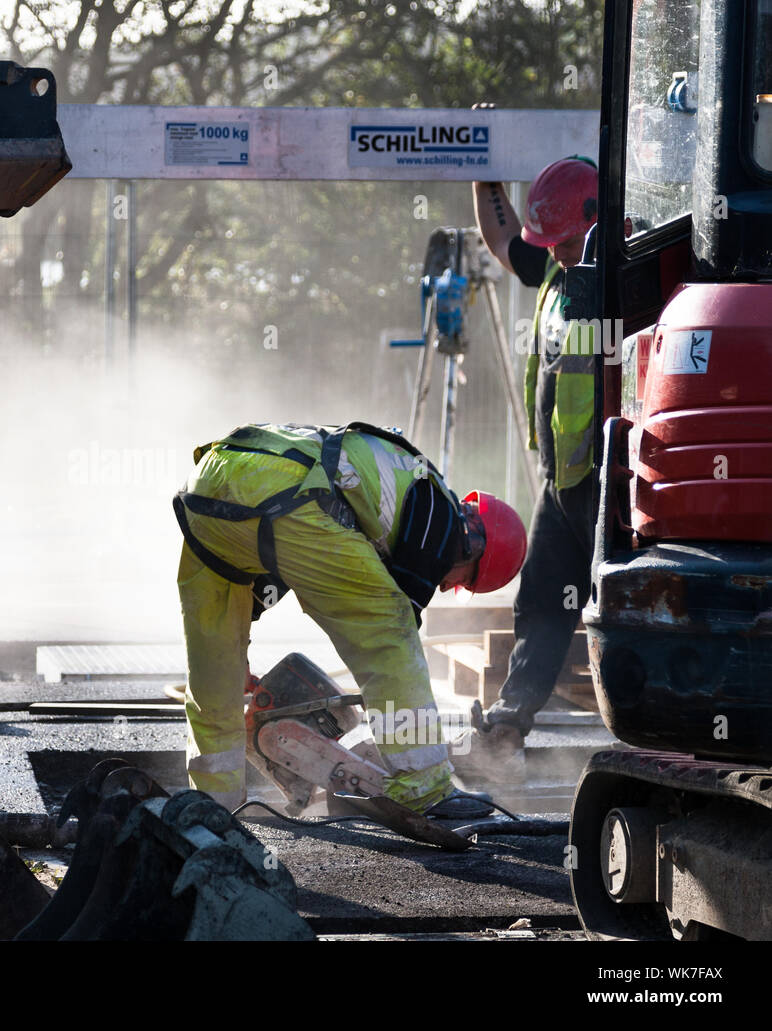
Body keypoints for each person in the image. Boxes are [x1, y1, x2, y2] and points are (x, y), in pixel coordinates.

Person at [173, 421, 526, 814]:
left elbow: (281, 549)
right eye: (464, 581)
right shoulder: (441, 518)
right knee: (390, 633)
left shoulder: (399, 481)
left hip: (212, 484)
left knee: (215, 673)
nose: (447, 587)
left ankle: (213, 806)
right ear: (474, 548)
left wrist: (240, 651)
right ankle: (426, 789)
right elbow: (391, 635)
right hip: (287, 493)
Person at [452, 154, 602, 782]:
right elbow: (505, 240)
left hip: (609, 482)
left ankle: (661, 744)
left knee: (620, 605)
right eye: (552, 241)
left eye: (565, 239)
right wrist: (486, 173)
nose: (557, 251)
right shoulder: (557, 269)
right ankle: (506, 733)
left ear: (598, 220)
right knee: (541, 601)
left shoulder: (627, 275)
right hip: (563, 481)